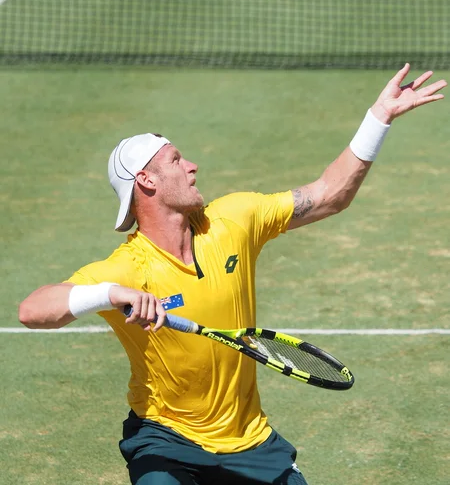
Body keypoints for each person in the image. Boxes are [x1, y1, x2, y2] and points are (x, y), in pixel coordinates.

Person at [19, 63, 445, 485]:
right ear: (145, 180)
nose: (193, 166)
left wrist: (379, 117)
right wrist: (109, 294)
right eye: (176, 159)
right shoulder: (128, 267)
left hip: (251, 442)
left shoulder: (233, 219)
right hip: (166, 441)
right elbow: (32, 310)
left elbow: (328, 196)